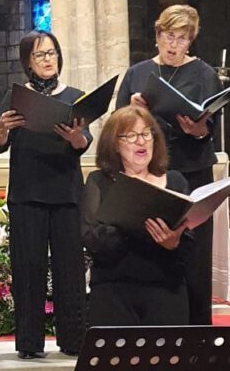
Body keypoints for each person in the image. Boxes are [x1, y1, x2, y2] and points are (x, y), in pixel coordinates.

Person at [115, 4, 218, 325]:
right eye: (169, 36)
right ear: (157, 35)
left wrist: (198, 130)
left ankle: (198, 331)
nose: (175, 45)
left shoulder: (204, 73)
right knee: (150, 248)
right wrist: (133, 111)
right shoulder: (138, 73)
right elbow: (116, 125)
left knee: (194, 255)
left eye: (183, 39)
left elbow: (211, 125)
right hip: (148, 176)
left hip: (192, 171)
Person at [0, 29, 88, 359]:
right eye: (40, 55)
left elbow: (82, 142)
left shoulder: (74, 95)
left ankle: (73, 339)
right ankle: (29, 343)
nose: (48, 59)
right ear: (27, 62)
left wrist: (76, 138)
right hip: (27, 193)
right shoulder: (17, 96)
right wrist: (1, 130)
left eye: (52, 53)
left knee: (69, 269)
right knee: (28, 269)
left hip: (66, 193)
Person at [80, 106, 191, 325]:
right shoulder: (99, 182)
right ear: (115, 145)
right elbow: (92, 240)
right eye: (130, 136)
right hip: (114, 289)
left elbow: (191, 243)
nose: (140, 141)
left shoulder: (176, 181)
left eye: (145, 134)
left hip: (165, 286)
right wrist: (129, 223)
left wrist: (173, 242)